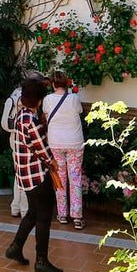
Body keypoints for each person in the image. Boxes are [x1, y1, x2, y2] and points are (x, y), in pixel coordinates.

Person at [5, 77, 63, 272]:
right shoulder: (31, 120)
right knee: (44, 217)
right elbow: (42, 149)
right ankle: (41, 261)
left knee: (32, 212)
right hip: (37, 175)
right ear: (38, 99)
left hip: (24, 174)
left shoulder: (21, 115)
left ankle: (16, 247)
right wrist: (53, 163)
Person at [42, 69, 85, 228]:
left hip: (55, 143)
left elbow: (46, 114)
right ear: (66, 83)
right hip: (75, 143)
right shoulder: (74, 98)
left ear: (53, 84)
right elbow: (80, 111)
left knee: (59, 178)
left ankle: (62, 214)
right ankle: (77, 217)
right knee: (75, 178)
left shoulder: (47, 99)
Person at [0, 80, 29, 218]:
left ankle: (15, 206)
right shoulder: (27, 97)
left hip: (14, 138)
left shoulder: (12, 97)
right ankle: (24, 209)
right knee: (25, 175)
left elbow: (4, 123)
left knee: (18, 173)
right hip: (25, 139)